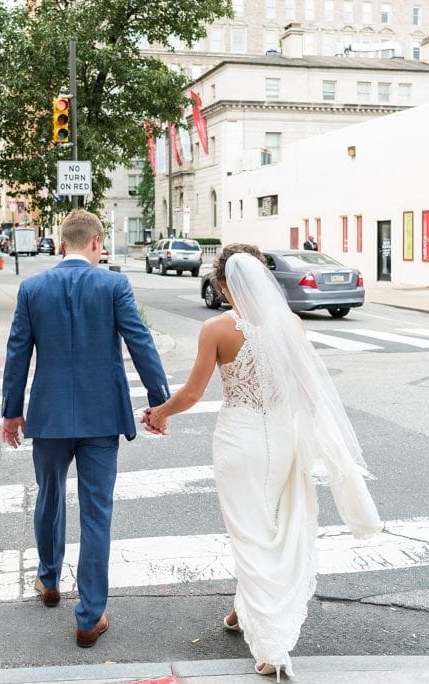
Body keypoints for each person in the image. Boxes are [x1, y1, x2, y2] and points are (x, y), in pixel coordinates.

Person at [142, 244, 382, 678]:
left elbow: (194, 393)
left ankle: (272, 648)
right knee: (270, 528)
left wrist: (159, 414)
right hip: (283, 437)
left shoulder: (217, 328)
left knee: (250, 537)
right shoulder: (289, 323)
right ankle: (241, 611)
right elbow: (309, 390)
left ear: (223, 284)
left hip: (241, 441)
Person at [0, 208, 171, 649]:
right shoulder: (113, 284)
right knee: (97, 513)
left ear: (62, 244)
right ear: (96, 243)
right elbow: (140, 341)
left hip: (50, 416)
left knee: (50, 495)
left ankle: (49, 580)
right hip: (100, 419)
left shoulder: (32, 288)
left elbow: (17, 352)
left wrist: (11, 411)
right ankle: (89, 617)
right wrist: (159, 401)